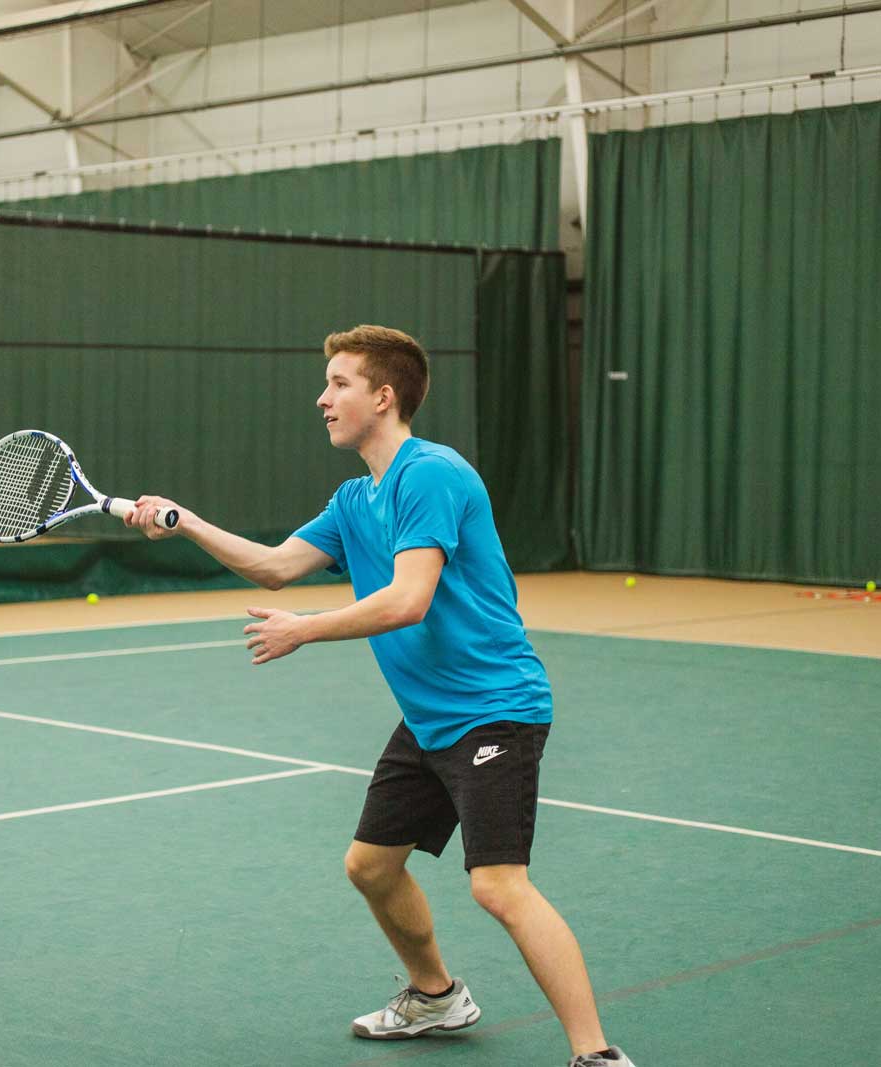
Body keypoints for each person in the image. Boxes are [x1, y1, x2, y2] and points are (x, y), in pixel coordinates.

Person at [123, 326, 634, 1067]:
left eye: (339, 383)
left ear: (383, 396)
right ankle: (436, 996)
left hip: (494, 707)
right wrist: (187, 521)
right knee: (370, 864)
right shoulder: (355, 498)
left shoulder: (431, 473)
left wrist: (305, 630)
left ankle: (597, 1055)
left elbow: (408, 599)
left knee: (498, 885)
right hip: (430, 718)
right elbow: (274, 566)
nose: (323, 398)